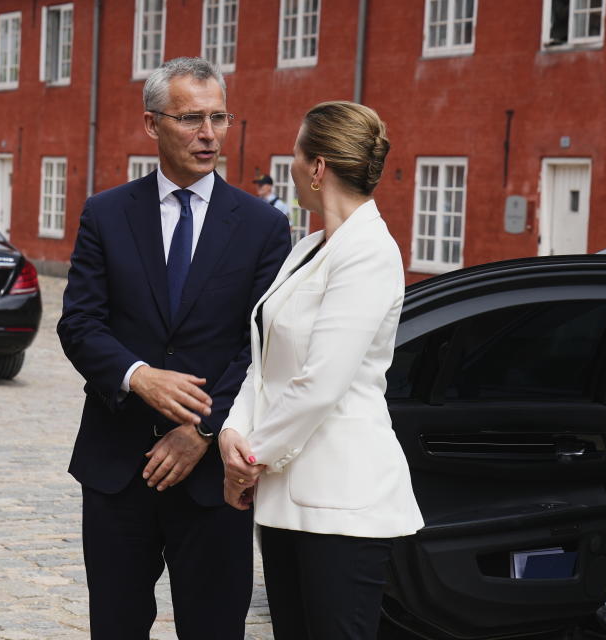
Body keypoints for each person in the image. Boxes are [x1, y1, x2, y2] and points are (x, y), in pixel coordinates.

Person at [57, 57, 291, 639]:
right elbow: (80, 324)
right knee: (114, 626)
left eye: (219, 117)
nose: (208, 134)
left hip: (215, 479)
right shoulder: (106, 214)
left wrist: (202, 430)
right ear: (151, 123)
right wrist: (139, 376)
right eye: (191, 119)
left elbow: (262, 347)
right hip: (117, 467)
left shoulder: (263, 226)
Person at [218, 101, 424, 640]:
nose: (289, 162)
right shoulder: (309, 247)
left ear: (317, 166)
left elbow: (321, 383)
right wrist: (232, 432)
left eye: (294, 151)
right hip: (285, 499)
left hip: (343, 504)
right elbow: (263, 358)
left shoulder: (371, 252)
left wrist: (250, 459)